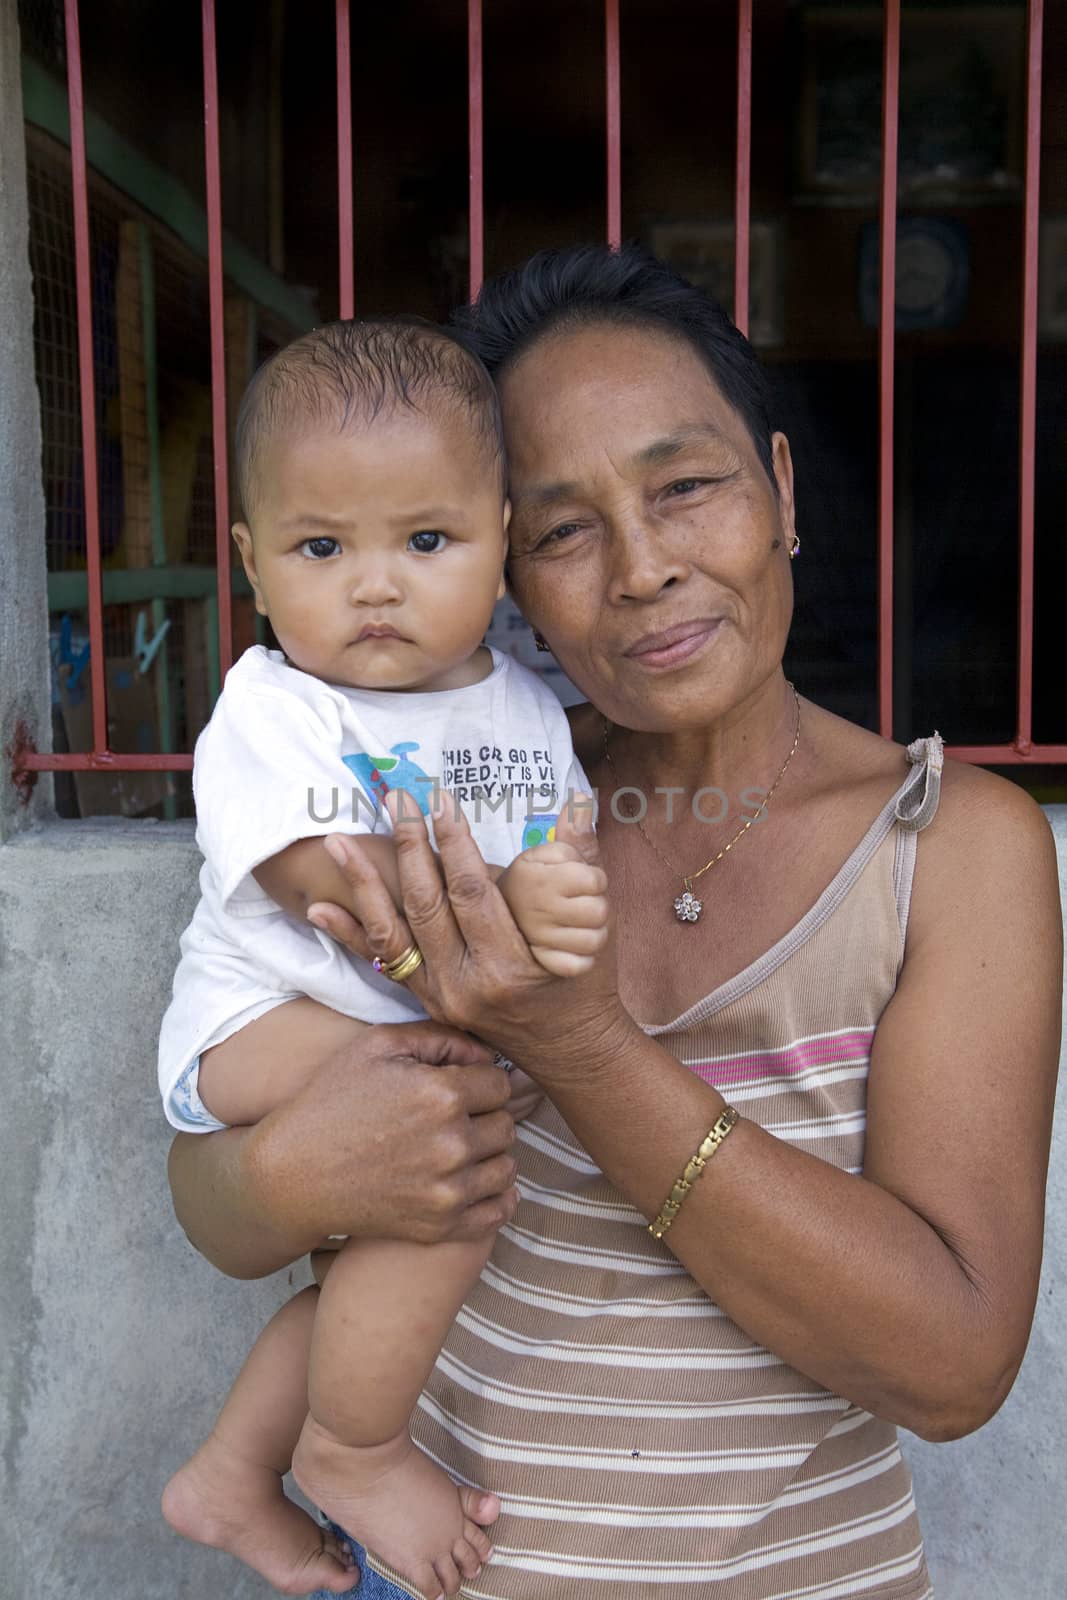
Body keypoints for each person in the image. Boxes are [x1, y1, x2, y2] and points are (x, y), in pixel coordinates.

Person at [167, 245, 1062, 1600]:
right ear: (502, 571)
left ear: (778, 487)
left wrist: (572, 1042)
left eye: (684, 486)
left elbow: (948, 1369)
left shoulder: (947, 849)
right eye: (560, 531)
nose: (640, 570)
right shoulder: (465, 813)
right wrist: (303, 1170)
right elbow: (216, 1204)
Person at [157, 317, 607, 1600]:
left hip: (394, 1038)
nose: (374, 585)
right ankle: (352, 1450)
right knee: (450, 1149)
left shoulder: (524, 707)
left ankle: (231, 1476)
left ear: (502, 538)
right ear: (248, 564)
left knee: (391, 1246)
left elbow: (559, 869)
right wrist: (519, 900)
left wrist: (564, 902)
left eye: (424, 541)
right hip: (256, 1026)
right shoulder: (275, 707)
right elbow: (333, 893)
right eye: (319, 547)